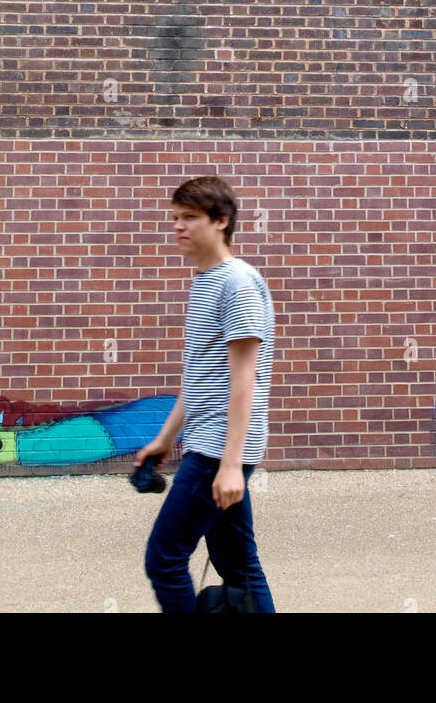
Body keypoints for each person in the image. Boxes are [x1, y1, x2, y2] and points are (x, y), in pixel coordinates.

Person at [136, 175, 276, 613]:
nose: (178, 226)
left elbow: (244, 379)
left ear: (221, 221)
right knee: (239, 566)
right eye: (175, 218)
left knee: (165, 559)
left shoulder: (238, 284)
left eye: (190, 218)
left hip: (220, 449)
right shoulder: (206, 280)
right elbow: (199, 378)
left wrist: (231, 465)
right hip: (211, 444)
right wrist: (164, 439)